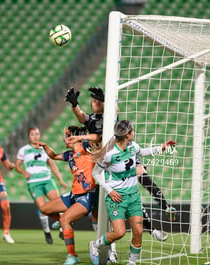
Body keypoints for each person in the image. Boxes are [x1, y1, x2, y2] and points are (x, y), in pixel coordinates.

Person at [65, 87, 176, 236]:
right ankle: (149, 230)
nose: (96, 102)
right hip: (108, 162)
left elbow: (115, 109)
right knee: (123, 197)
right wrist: (74, 104)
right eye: (94, 100)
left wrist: (105, 99)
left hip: (125, 155)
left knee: (141, 178)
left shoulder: (111, 116)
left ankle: (164, 208)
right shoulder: (90, 120)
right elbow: (81, 117)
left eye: (99, 100)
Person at [88, 120, 176, 265]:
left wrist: (162, 148)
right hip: (116, 198)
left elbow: (144, 152)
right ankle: (95, 245)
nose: (134, 133)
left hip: (133, 197)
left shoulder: (132, 147)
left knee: (138, 232)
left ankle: (132, 262)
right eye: (132, 131)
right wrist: (109, 191)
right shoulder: (109, 154)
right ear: (127, 134)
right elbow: (96, 173)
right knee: (119, 233)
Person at [38, 126, 98, 265]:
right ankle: (63, 220)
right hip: (73, 195)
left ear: (73, 137)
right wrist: (46, 147)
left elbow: (97, 138)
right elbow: (53, 156)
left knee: (65, 219)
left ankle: (72, 256)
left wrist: (81, 137)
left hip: (87, 196)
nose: (64, 138)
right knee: (44, 209)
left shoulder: (87, 148)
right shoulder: (70, 155)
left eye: (66, 135)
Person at [15, 127, 67, 244]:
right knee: (44, 209)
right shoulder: (24, 150)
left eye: (37, 134)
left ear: (39, 135)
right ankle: (47, 231)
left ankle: (62, 228)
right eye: (32, 134)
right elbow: (17, 166)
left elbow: (53, 165)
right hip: (34, 183)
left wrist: (60, 180)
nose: (35, 136)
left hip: (47, 180)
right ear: (29, 136)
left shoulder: (45, 149)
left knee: (59, 205)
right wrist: (24, 172)